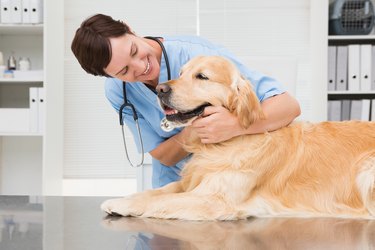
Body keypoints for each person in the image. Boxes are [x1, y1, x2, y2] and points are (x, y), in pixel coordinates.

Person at [71, 14, 301, 188]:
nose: (142, 68)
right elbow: (163, 155)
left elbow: (289, 107)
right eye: (124, 71)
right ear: (110, 76)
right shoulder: (117, 92)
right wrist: (196, 129)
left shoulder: (196, 54)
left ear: (130, 30)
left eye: (133, 51)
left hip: (229, 179)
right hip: (174, 185)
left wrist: (235, 125)